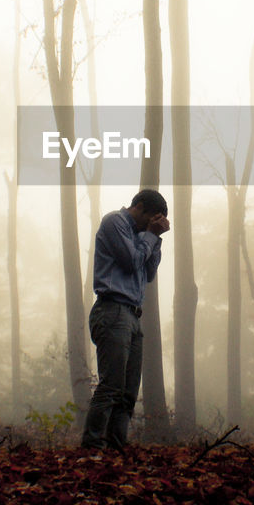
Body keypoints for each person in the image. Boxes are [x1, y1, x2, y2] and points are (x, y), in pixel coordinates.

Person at [80, 189, 169, 449]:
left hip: (132, 315)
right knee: (111, 387)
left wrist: (156, 239)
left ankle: (116, 448)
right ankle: (92, 447)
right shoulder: (114, 223)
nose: (150, 226)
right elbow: (132, 262)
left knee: (127, 393)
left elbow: (148, 272)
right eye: (151, 219)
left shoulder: (143, 235)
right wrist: (150, 236)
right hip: (112, 310)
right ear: (139, 207)